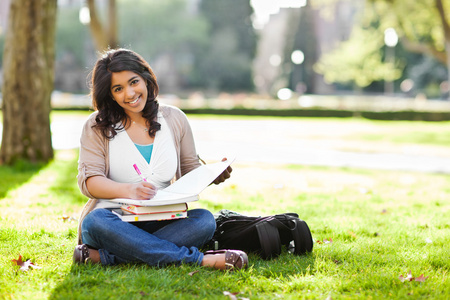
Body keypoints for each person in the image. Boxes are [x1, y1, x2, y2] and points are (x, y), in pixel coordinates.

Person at [73, 48, 248, 270]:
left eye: (133, 82)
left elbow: (190, 170)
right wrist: (129, 190)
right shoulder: (96, 126)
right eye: (118, 89)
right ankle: (199, 260)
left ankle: (110, 257)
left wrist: (212, 175)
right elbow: (89, 183)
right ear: (110, 94)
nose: (129, 94)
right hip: (114, 222)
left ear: (146, 79)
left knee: (204, 220)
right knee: (94, 222)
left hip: (164, 221)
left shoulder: (174, 119)